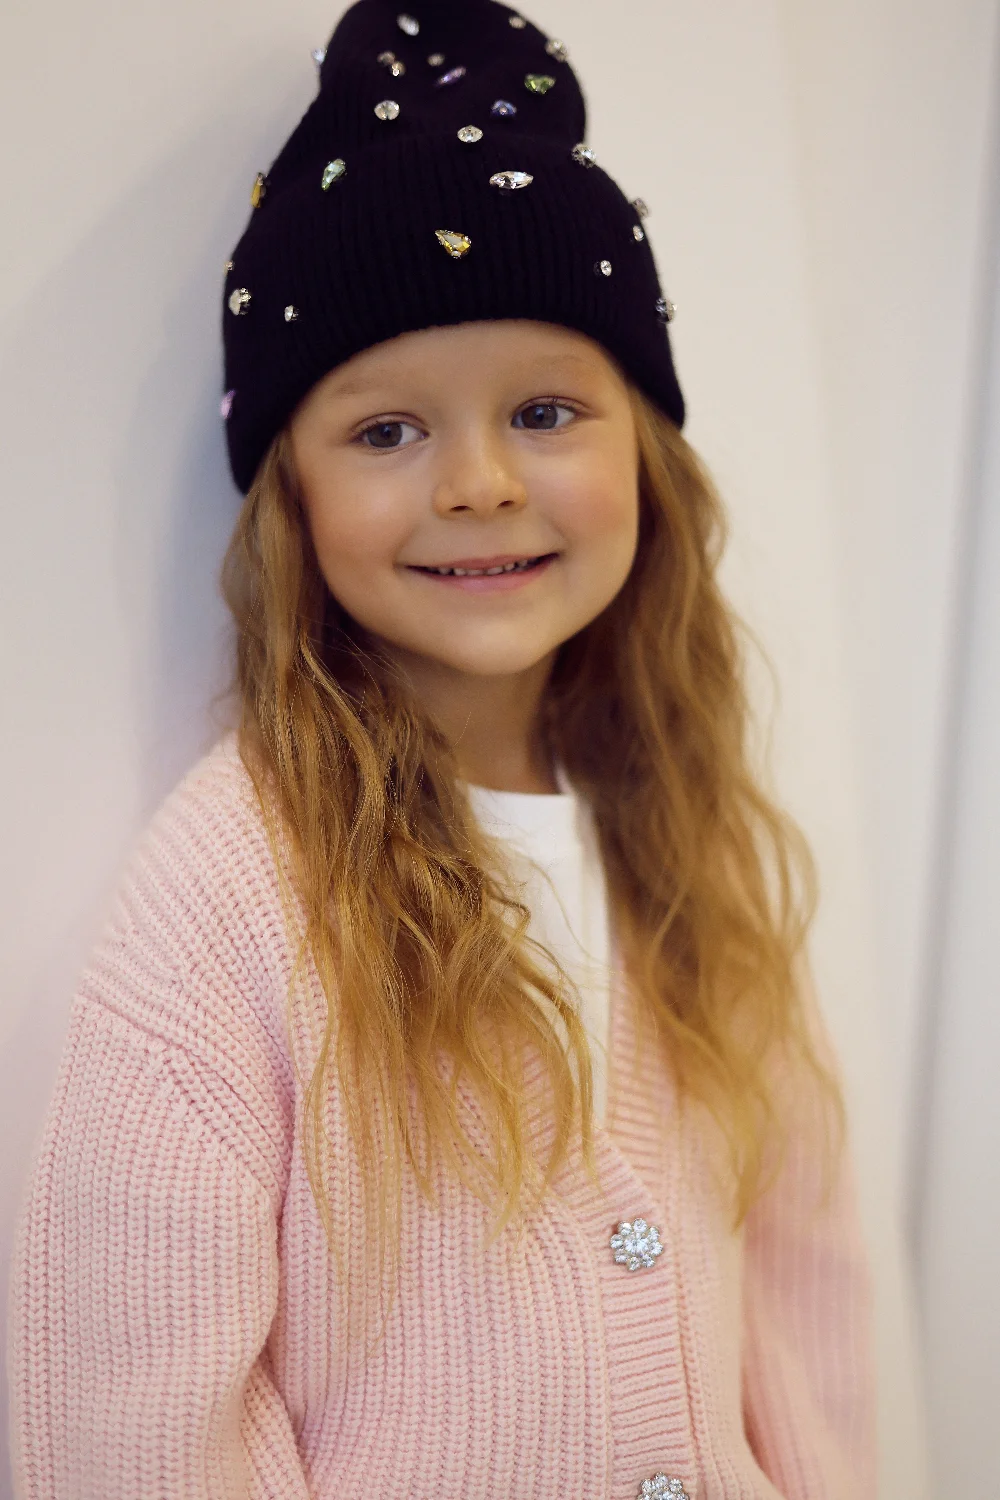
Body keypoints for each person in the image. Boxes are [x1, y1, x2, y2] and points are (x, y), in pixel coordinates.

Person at [6, 1, 876, 1496]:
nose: (477, 484)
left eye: (544, 410)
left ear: (645, 454)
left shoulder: (692, 846)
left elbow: (806, 1313)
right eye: (386, 431)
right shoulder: (232, 897)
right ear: (291, 496)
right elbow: (135, 1424)